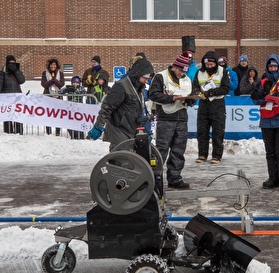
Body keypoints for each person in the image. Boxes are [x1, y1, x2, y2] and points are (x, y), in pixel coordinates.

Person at [87, 55, 154, 150]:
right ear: (138, 74)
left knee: (132, 161)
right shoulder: (121, 86)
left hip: (132, 128)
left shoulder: (140, 88)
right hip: (119, 129)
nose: (147, 80)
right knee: (120, 160)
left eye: (149, 77)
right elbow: (107, 106)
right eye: (146, 77)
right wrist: (99, 125)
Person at [148, 53, 195, 189]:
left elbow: (188, 94)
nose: (182, 74)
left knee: (178, 150)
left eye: (184, 71)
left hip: (182, 118)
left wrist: (191, 100)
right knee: (161, 150)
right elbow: (153, 94)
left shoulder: (186, 79)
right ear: (175, 67)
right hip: (166, 118)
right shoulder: (161, 76)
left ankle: (175, 177)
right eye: (180, 71)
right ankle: (154, 178)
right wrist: (172, 98)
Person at [251, 54, 279, 192]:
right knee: (270, 152)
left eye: (275, 66)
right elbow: (254, 97)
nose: (272, 68)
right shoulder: (262, 82)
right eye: (270, 66)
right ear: (267, 67)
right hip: (267, 120)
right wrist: (265, 96)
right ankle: (273, 178)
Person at [193, 51, 230, 164]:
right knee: (202, 130)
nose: (209, 66)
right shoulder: (199, 72)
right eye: (207, 65)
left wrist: (213, 92)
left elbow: (226, 88)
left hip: (217, 103)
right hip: (204, 104)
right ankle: (202, 154)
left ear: (215, 64)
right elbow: (195, 86)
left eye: (211, 65)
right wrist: (198, 92)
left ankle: (216, 156)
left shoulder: (222, 71)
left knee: (218, 131)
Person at [0, 55, 26, 135]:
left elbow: (22, 80)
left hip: (17, 97)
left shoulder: (17, 71)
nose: (12, 64)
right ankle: (8, 132)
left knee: (18, 116)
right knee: (8, 116)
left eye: (13, 63)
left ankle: (19, 132)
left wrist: (16, 71)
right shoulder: (2, 73)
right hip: (7, 97)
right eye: (10, 63)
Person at [41, 57, 65, 136]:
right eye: (51, 65)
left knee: (57, 114)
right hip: (48, 96)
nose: (53, 66)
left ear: (57, 66)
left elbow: (61, 84)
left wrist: (55, 81)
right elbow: (43, 84)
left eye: (54, 65)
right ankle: (48, 131)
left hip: (57, 96)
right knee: (48, 114)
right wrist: (51, 81)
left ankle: (58, 131)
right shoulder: (45, 73)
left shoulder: (60, 74)